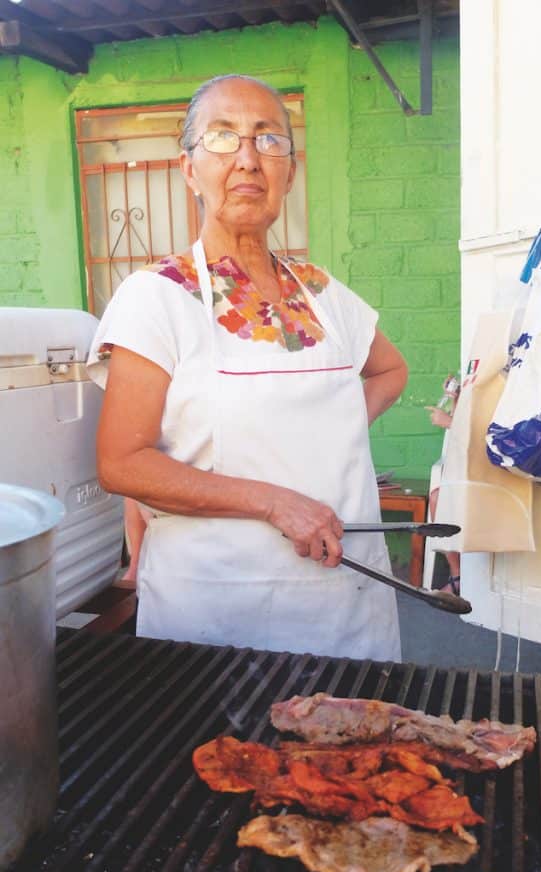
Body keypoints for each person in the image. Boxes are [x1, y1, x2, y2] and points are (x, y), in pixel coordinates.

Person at [87, 74, 408, 661]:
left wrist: (328, 428)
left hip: (346, 607)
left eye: (268, 140)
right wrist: (273, 501)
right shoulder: (155, 296)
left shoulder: (324, 293)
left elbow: (390, 371)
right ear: (189, 169)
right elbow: (121, 465)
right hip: (216, 618)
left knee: (361, 748)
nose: (247, 159)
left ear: (290, 170)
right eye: (222, 138)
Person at [425, 375, 461, 595]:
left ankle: (458, 577)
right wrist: (455, 398)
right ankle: (457, 575)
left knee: (440, 498)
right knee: (438, 497)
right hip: (463, 468)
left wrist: (448, 422)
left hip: (488, 472)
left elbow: (484, 432)